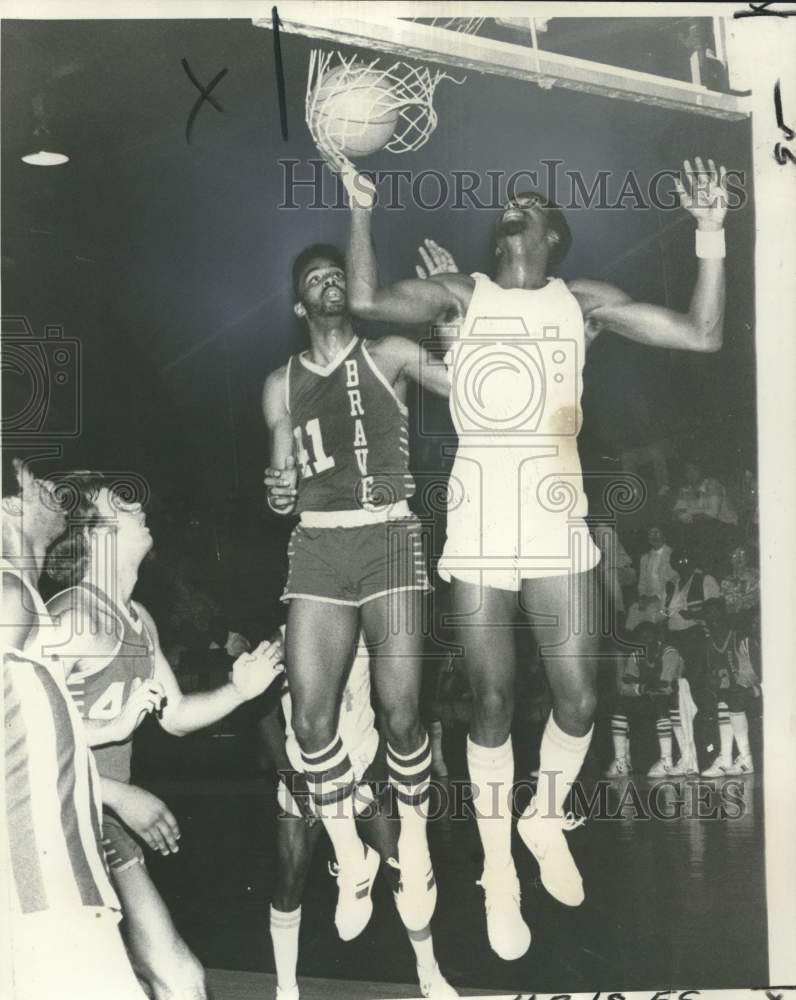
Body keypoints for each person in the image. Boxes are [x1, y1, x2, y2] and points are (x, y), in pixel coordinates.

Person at [342, 154, 727, 959]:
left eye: (531, 203)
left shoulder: (581, 303)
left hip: (557, 518)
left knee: (581, 699)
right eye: (508, 202)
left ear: (553, 236)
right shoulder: (464, 293)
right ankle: (497, 873)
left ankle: (544, 816)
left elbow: (702, 333)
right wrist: (359, 208)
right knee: (488, 702)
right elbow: (369, 300)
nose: (514, 206)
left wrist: (711, 231)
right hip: (482, 519)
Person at [262, 243, 451, 942]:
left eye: (337, 275)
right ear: (299, 305)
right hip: (318, 541)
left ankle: (418, 850)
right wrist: (278, 488)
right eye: (314, 278)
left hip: (389, 535)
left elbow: (472, 390)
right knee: (312, 725)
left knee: (402, 717)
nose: (329, 283)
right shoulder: (279, 384)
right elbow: (281, 489)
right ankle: (350, 856)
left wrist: (451, 313)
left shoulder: (391, 352)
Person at [43, 472, 284, 1000]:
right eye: (121, 504)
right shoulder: (71, 620)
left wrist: (239, 691)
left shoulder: (138, 619)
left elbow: (174, 715)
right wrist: (117, 794)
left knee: (184, 982)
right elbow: (18, 739)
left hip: (106, 829)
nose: (137, 506)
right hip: (50, 831)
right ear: (96, 533)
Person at [2, 454, 151, 1000]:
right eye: (32, 480)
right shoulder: (9, 599)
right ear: (8, 502)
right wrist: (115, 792)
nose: (49, 488)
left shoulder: (27, 601)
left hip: (56, 882)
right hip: (37, 894)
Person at [258, 629, 457, 1000]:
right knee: (290, 874)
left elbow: (395, 710)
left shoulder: (373, 627)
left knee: (403, 867)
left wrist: (379, 771)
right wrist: (290, 777)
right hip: (303, 772)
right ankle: (286, 989)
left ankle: (430, 974)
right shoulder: (286, 635)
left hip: (364, 762)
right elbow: (262, 712)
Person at [605, 622, 688, 778]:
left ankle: (666, 760)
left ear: (657, 636)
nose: (645, 640)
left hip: (680, 699)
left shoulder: (669, 652)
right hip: (649, 697)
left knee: (661, 702)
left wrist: (641, 687)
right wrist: (642, 688)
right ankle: (621, 761)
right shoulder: (636, 655)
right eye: (641, 637)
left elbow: (666, 686)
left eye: (649, 636)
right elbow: (624, 687)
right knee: (620, 706)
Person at [699, 598, 760, 777]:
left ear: (725, 614)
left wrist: (754, 689)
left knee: (733, 695)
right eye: (708, 614)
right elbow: (716, 677)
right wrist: (713, 681)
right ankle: (725, 759)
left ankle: (746, 758)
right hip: (737, 692)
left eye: (716, 612)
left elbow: (764, 672)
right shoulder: (710, 644)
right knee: (722, 698)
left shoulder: (742, 638)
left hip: (760, 689)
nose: (713, 617)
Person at [662, 548, 720, 678]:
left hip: (696, 633)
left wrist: (693, 616)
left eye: (686, 560)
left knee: (693, 674)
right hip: (673, 635)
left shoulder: (705, 580)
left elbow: (716, 611)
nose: (682, 563)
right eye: (678, 561)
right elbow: (663, 613)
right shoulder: (672, 585)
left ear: (694, 561)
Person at [624, 525, 678, 631]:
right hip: (648, 598)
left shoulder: (672, 554)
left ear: (664, 536)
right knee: (633, 609)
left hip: (667, 598)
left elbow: (674, 580)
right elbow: (642, 582)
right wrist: (643, 596)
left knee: (651, 613)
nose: (653, 536)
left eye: (657, 533)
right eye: (650, 534)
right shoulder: (645, 558)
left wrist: (657, 597)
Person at [719, 543, 760, 624]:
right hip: (736, 622)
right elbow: (727, 607)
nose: (738, 558)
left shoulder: (757, 575)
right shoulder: (726, 582)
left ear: (747, 557)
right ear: (730, 560)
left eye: (741, 553)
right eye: (734, 555)